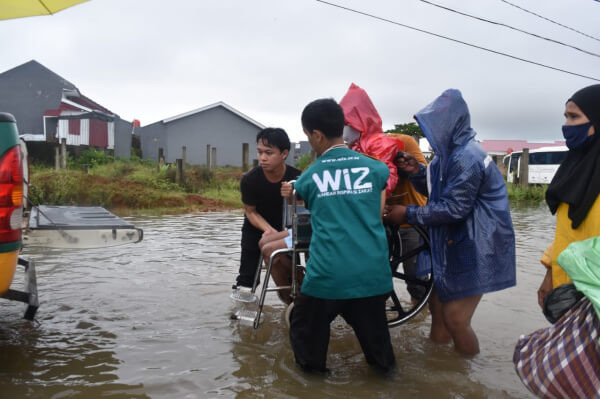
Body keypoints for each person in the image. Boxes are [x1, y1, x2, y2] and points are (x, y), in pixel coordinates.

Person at [384, 89, 516, 356]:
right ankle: (441, 370)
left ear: (451, 124)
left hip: (478, 243)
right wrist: (417, 172)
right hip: (454, 241)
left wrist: (406, 213)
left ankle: (468, 376)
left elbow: (454, 208)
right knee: (437, 308)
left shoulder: (467, 156)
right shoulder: (445, 158)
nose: (432, 133)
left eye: (435, 126)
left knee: (456, 317)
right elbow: (438, 193)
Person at [287, 98, 395, 374]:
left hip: (328, 276)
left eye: (308, 136)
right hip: (373, 275)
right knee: (381, 356)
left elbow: (304, 201)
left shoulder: (310, 178)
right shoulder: (376, 169)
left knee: (304, 328)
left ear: (317, 135)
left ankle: (313, 385)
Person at [537, 84, 600, 308]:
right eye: (565, 117)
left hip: (593, 297)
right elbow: (567, 233)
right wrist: (550, 273)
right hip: (569, 291)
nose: (566, 126)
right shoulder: (575, 170)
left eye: (574, 117)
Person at [233, 128, 301, 296]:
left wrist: (290, 197)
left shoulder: (297, 178)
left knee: (289, 269)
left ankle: (296, 294)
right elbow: (250, 212)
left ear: (284, 154)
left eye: (269, 153)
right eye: (260, 152)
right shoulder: (250, 180)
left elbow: (302, 210)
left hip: (286, 227)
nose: (263, 158)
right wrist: (268, 229)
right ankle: (244, 300)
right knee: (246, 279)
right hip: (256, 227)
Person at [339, 83, 400, 197]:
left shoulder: (379, 143)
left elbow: (386, 179)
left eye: (346, 124)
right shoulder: (356, 145)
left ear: (359, 122)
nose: (343, 130)